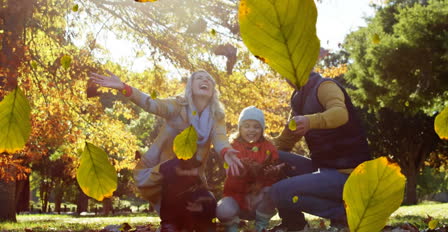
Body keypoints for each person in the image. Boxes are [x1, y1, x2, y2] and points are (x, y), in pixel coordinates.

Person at [90, 70, 243, 232]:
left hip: (192, 178)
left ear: (213, 90)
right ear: (191, 86)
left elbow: (219, 137)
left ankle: (187, 224)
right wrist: (124, 88)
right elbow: (152, 104)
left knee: (208, 204)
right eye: (199, 78)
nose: (204, 80)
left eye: (208, 79)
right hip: (164, 171)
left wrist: (226, 152)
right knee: (178, 166)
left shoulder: (216, 115)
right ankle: (168, 224)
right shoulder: (178, 106)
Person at [268, 71, 371, 232]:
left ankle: (345, 214)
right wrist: (253, 149)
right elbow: (284, 142)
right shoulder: (297, 99)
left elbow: (340, 113)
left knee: (278, 192)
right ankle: (295, 224)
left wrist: (310, 121)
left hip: (350, 176)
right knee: (272, 157)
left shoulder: (325, 86)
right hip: (324, 170)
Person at [216, 106, 281, 232]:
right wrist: (243, 168)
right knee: (222, 209)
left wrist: (269, 174)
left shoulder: (268, 148)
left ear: (262, 129)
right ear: (240, 128)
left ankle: (261, 224)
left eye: (256, 126)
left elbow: (272, 173)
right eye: (247, 126)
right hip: (236, 197)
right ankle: (232, 225)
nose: (251, 130)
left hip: (258, 199)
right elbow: (229, 173)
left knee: (272, 191)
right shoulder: (232, 147)